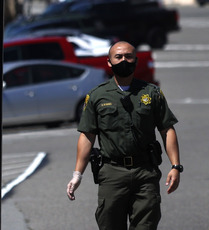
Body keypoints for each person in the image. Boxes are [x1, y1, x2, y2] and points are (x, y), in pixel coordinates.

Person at [66, 41, 182, 229]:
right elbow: (87, 136)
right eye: (118, 57)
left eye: (128, 56)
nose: (124, 60)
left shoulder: (151, 93)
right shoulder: (97, 96)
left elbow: (167, 129)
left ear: (135, 61)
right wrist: (77, 174)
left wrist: (176, 166)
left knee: (146, 225)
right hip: (112, 173)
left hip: (145, 172)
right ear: (109, 62)